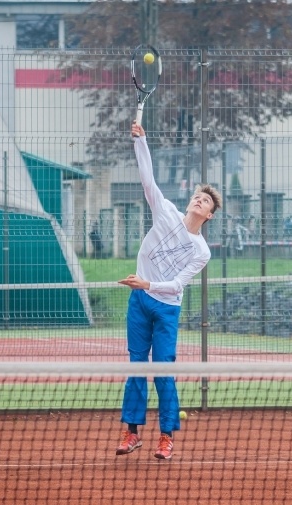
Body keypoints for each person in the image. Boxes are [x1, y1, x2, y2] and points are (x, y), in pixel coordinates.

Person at [115, 121, 222, 460]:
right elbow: (148, 179)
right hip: (139, 302)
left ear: (209, 215)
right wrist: (141, 141)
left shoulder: (201, 251)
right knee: (136, 366)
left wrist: (146, 283)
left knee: (163, 368)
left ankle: (166, 437)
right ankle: (132, 433)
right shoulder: (165, 212)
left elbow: (177, 285)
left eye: (205, 201)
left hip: (166, 308)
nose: (199, 200)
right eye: (197, 196)